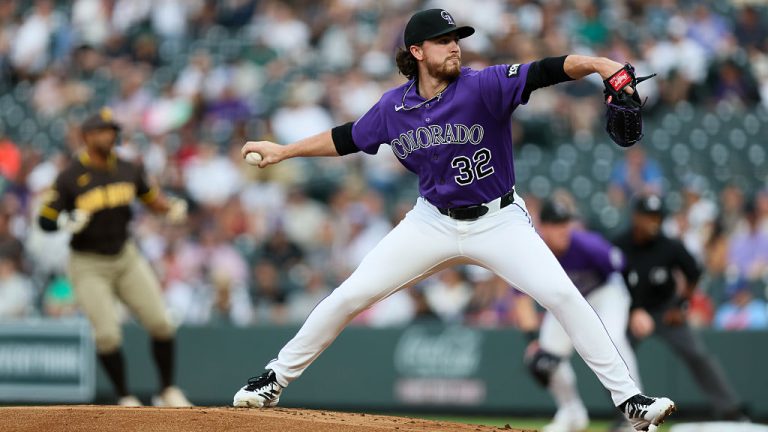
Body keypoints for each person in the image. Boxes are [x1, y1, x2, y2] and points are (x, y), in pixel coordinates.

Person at [233, 9, 675, 431]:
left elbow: (547, 69)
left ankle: (629, 400)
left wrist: (600, 63)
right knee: (350, 295)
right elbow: (346, 137)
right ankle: (274, 378)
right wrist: (284, 150)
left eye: (457, 39)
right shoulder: (394, 108)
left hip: (499, 220)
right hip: (432, 223)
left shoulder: (483, 85)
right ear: (417, 51)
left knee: (563, 295)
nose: (455, 47)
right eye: (443, 41)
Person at [37, 108, 192, 407]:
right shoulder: (70, 176)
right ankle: (125, 396)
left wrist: (170, 207)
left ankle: (167, 390)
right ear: (87, 136)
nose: (109, 135)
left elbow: (151, 198)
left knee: (161, 323)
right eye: (101, 130)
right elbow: (45, 219)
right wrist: (64, 221)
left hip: (125, 257)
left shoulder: (127, 168)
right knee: (107, 336)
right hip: (88, 263)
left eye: (111, 130)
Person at [614, 194, 747, 421]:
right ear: (636, 217)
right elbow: (609, 280)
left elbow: (694, 273)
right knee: (612, 358)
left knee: (698, 355)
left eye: (657, 217)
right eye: (648, 217)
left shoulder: (669, 246)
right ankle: (627, 415)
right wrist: (629, 311)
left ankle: (730, 409)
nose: (653, 222)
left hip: (665, 311)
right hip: (629, 312)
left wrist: (681, 306)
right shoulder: (619, 244)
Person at [526, 199, 639, 432]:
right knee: (547, 356)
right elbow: (519, 299)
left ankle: (637, 416)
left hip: (606, 294)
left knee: (614, 340)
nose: (563, 229)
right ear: (543, 227)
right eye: (556, 224)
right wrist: (531, 341)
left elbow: (625, 270)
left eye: (565, 222)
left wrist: (637, 310)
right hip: (570, 300)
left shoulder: (588, 245)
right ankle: (571, 412)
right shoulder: (533, 251)